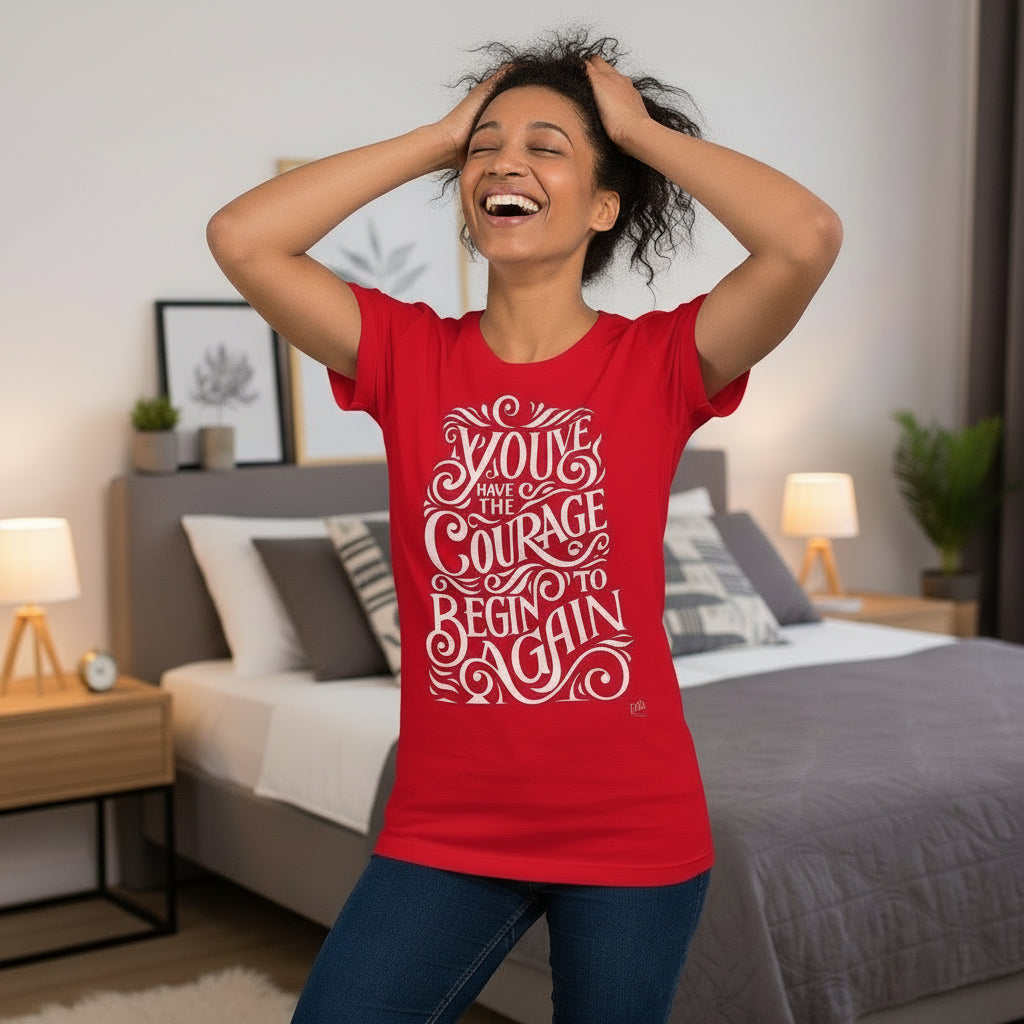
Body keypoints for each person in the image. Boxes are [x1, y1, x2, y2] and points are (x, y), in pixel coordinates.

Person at [207, 31, 841, 1024]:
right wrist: (441, 137)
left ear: (603, 205)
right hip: (446, 826)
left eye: (547, 147)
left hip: (632, 827)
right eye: (487, 149)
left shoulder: (661, 362)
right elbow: (243, 237)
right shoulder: (406, 355)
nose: (506, 162)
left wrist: (635, 130)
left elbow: (804, 236)